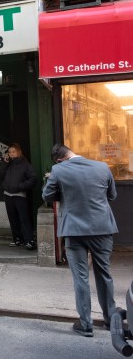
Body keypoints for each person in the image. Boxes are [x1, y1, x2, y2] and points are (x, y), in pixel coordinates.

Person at [43, 144, 118, 338]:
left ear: (59, 160)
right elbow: (112, 195)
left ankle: (86, 324)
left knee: (81, 277)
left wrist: (64, 195)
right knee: (104, 274)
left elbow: (47, 195)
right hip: (102, 228)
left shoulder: (58, 170)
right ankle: (111, 320)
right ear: (71, 153)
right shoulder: (102, 166)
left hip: (74, 230)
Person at [0, 143, 37, 250]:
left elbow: (33, 178)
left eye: (13, 151)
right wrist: (5, 163)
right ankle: (17, 239)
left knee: (24, 218)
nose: (11, 154)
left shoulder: (25, 164)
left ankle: (29, 240)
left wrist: (21, 186)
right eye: (9, 152)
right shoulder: (7, 163)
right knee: (12, 218)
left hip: (19, 195)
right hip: (8, 194)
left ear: (19, 152)